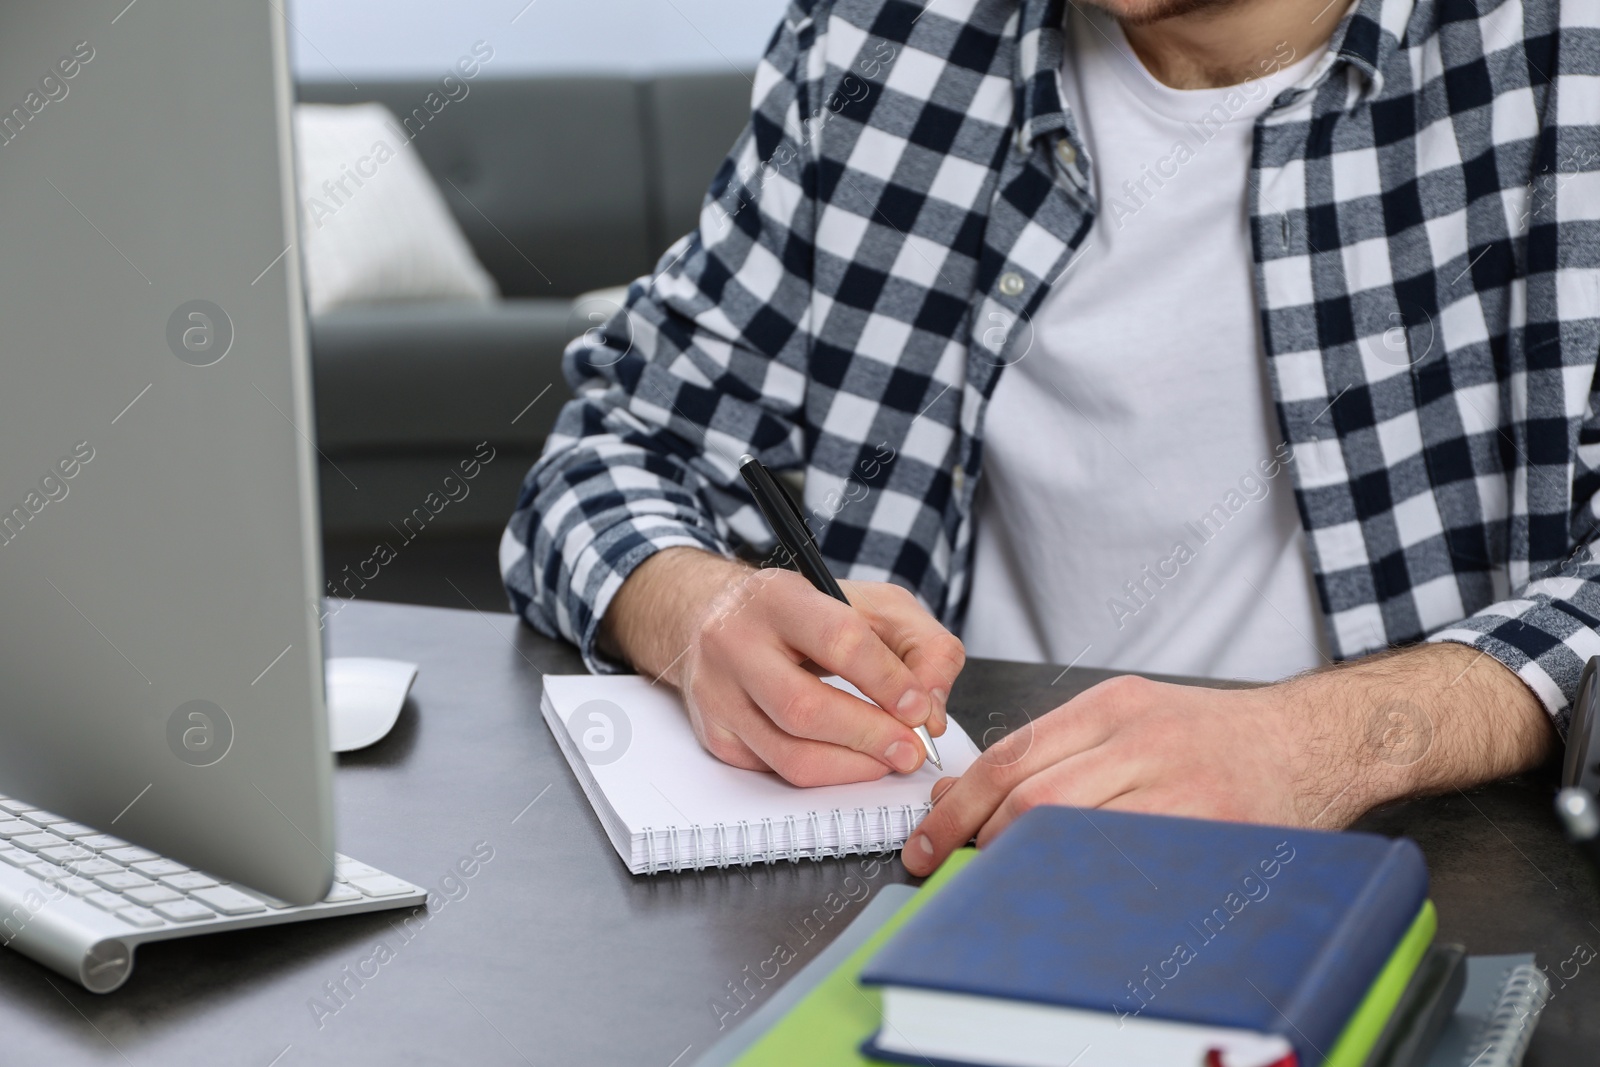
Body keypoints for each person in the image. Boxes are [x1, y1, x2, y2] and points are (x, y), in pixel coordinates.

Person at [502, 0, 1599, 877]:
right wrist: (694, 606)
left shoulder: (1559, 61)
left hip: (1410, 883)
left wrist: (1317, 741)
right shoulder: (874, 40)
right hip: (930, 860)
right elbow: (615, 440)